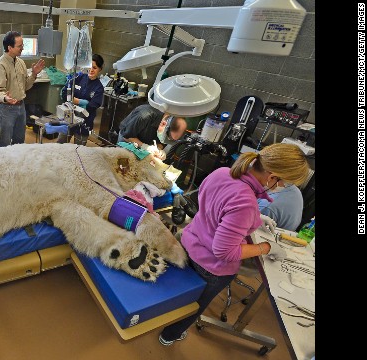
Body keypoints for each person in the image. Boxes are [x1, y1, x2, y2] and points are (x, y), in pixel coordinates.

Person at [158, 143, 310, 346]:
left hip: (189, 243)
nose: (282, 187)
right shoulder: (245, 202)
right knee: (193, 306)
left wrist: (256, 216)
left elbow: (209, 205)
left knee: (178, 294)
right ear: (272, 177)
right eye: (284, 183)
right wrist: (266, 248)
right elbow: (224, 251)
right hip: (210, 267)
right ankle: (170, 336)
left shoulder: (222, 172)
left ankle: (159, 320)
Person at [0, 31, 46, 147]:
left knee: (19, 141)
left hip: (21, 108)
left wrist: (34, 75)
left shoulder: (21, 62)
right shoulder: (0, 65)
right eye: (19, 46)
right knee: (5, 143)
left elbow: (25, 86)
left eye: (23, 45)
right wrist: (6, 98)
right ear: (9, 47)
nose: (22, 48)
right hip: (7, 109)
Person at [57, 54, 105, 145]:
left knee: (79, 150)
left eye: (94, 68)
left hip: (84, 123)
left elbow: (93, 105)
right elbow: (64, 93)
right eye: (90, 67)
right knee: (60, 143)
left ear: (100, 69)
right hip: (68, 117)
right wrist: (81, 102)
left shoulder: (98, 88)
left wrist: (77, 101)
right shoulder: (78, 78)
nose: (91, 70)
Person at [117, 105, 187, 160]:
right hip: (127, 140)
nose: (167, 139)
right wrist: (146, 147)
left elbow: (163, 141)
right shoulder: (143, 116)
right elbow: (127, 137)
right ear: (163, 124)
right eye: (167, 137)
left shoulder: (169, 127)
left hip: (145, 145)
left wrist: (159, 149)